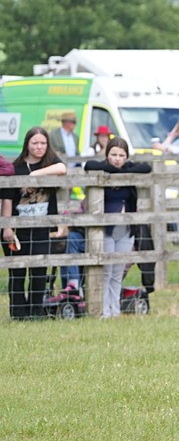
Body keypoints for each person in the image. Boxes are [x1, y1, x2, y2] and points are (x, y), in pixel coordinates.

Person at [1, 127, 68, 320]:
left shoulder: (50, 163)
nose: (39, 147)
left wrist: (34, 176)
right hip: (17, 228)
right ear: (27, 144)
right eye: (35, 143)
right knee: (17, 271)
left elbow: (62, 168)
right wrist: (7, 226)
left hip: (42, 227)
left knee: (39, 271)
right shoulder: (16, 167)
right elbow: (7, 199)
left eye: (43, 143)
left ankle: (36, 312)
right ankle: (18, 314)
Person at [83, 138, 152, 318]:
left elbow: (146, 167)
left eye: (121, 155)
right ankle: (104, 311)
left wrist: (123, 172)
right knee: (106, 271)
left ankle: (115, 310)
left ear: (126, 156)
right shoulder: (101, 168)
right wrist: (115, 171)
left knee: (118, 272)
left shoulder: (129, 168)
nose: (117, 159)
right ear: (107, 155)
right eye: (113, 154)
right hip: (106, 228)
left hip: (126, 228)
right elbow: (89, 165)